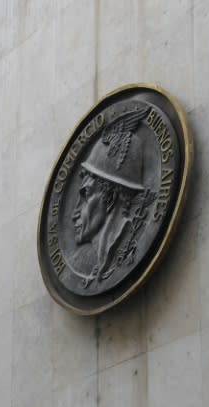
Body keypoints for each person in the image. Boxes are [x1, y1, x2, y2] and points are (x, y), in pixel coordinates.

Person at [70, 106, 155, 288]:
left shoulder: (127, 246)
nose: (74, 213)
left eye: (85, 196)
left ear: (109, 200)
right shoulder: (83, 260)